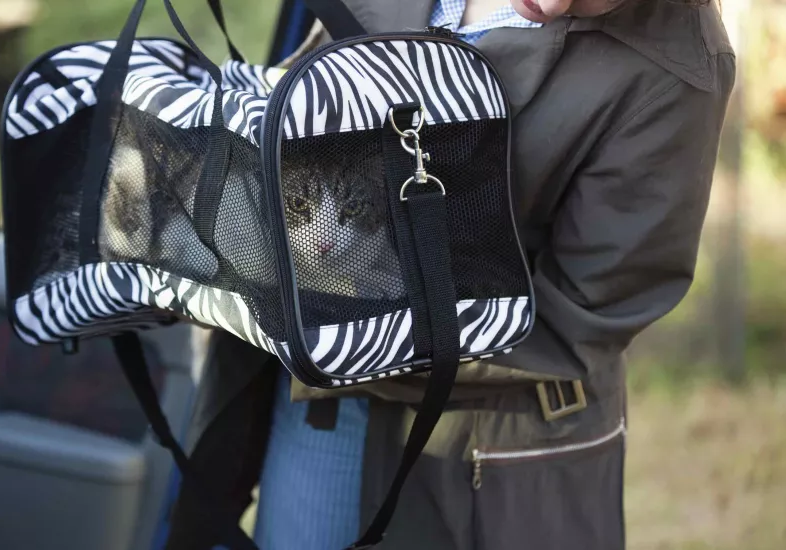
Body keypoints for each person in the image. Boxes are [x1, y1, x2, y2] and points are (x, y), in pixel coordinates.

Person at [164, 0, 735, 549]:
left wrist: (354, 335)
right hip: (321, 410)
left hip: (477, 443)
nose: (554, 2)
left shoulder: (676, 73)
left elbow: (583, 315)